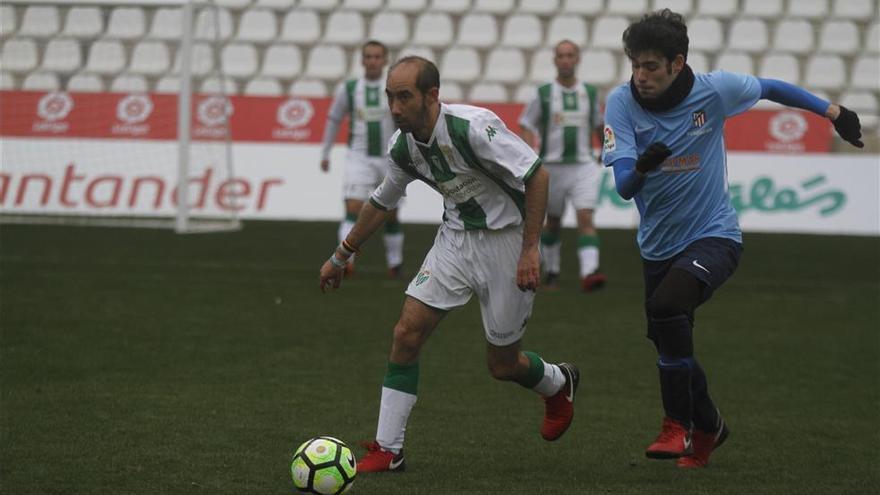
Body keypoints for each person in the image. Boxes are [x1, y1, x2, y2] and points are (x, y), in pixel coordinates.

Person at [603, 9, 864, 469]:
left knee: (667, 310)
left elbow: (770, 87)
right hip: (657, 245)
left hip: (714, 236)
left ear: (676, 63)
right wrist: (643, 166)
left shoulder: (715, 90)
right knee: (666, 338)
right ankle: (711, 426)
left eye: (650, 67)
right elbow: (624, 187)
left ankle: (677, 426)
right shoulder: (621, 103)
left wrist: (833, 112)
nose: (640, 77)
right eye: (635, 66)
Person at [319, 56, 580, 473]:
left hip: (508, 242)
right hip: (455, 242)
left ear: (432, 95)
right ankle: (389, 450)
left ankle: (558, 382)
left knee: (502, 364)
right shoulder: (402, 147)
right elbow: (382, 200)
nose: (395, 107)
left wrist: (531, 249)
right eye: (390, 97)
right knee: (406, 334)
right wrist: (341, 254)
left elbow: (537, 176)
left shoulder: (473, 127)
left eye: (404, 97)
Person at [519, 40, 607, 291]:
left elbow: (599, 124)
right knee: (553, 221)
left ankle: (590, 273)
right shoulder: (544, 93)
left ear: (577, 59)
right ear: (555, 60)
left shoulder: (589, 93)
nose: (566, 60)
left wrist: (604, 150)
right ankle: (553, 271)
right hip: (552, 167)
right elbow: (526, 122)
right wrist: (528, 155)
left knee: (586, 217)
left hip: (583, 165)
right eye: (561, 56)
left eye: (570, 55)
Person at [319, 40, 404, 278]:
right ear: (362, 60)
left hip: (389, 158)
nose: (373, 61)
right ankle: (347, 261)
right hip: (359, 158)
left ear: (385, 60)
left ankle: (395, 263)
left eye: (378, 56)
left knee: (391, 213)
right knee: (353, 207)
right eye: (369, 56)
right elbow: (334, 118)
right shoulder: (350, 89)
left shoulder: (393, 88)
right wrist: (325, 152)